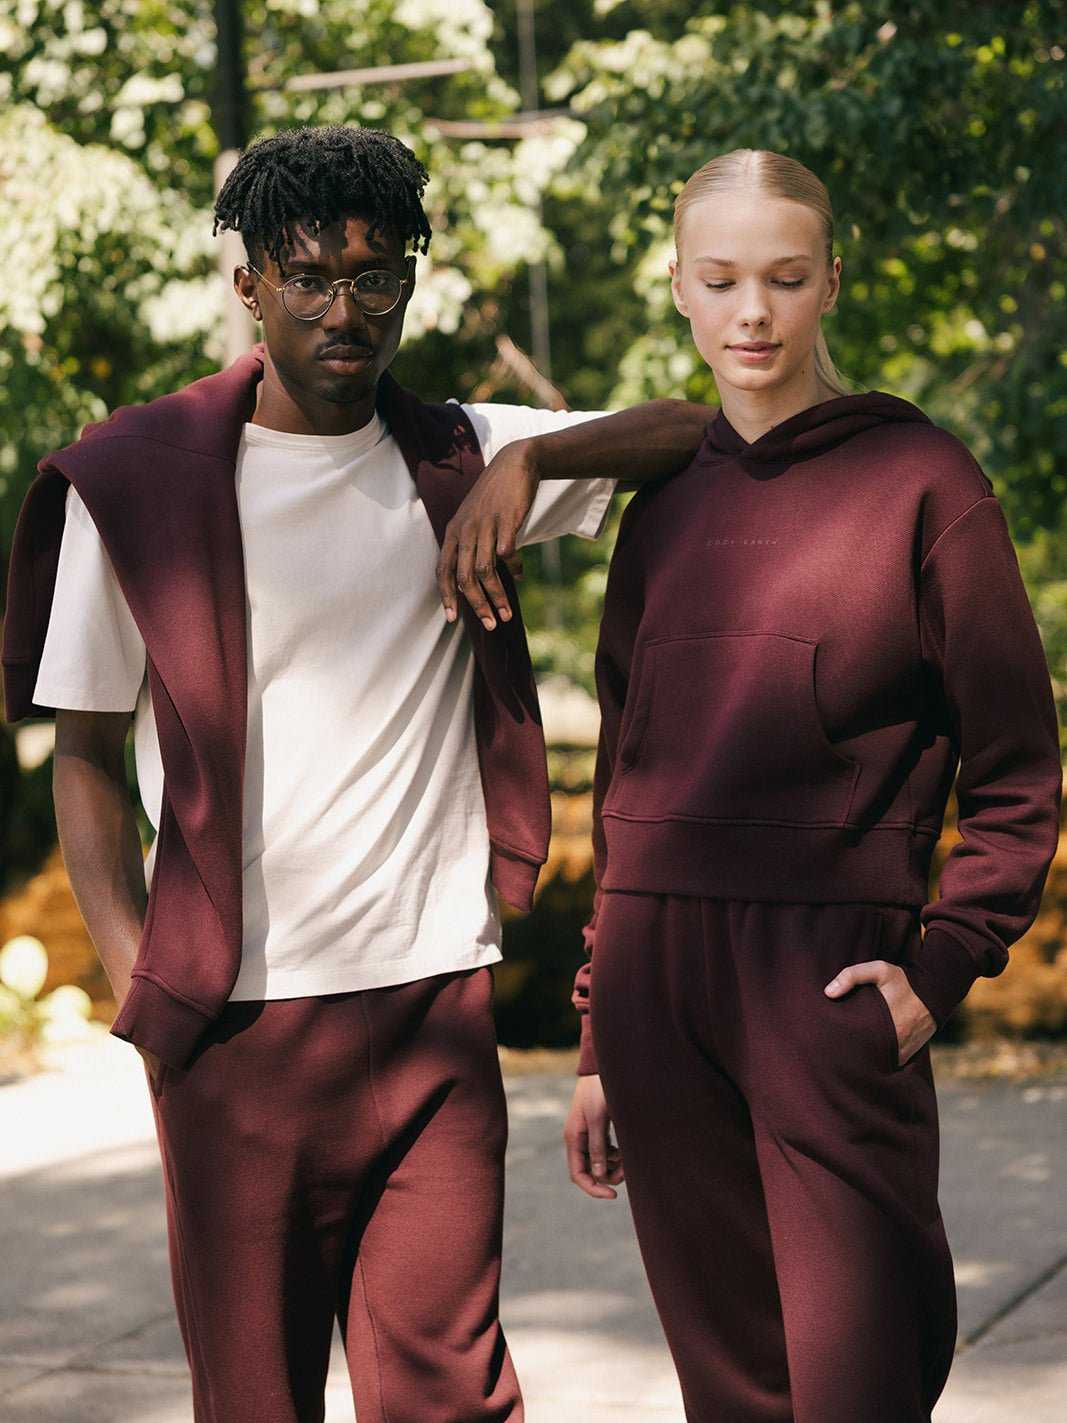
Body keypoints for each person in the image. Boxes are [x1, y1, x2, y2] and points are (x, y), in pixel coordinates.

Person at [1, 124, 713, 1423]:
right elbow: (86, 754)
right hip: (237, 1026)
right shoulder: (138, 487)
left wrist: (533, 459)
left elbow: (693, 430)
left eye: (376, 276)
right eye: (310, 277)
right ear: (250, 286)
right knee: (255, 1398)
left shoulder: (461, 454)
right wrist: (140, 981)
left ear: (410, 282)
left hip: (432, 1002)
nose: (345, 310)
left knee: (452, 1394)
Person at [444, 147, 1062, 1422]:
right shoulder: (663, 506)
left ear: (830, 280)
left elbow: (1015, 775)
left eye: (782, 278)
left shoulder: (924, 484)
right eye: (718, 280)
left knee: (861, 1378)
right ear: (676, 286)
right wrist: (597, 1039)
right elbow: (629, 786)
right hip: (655, 995)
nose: (751, 314)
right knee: (729, 1393)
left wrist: (938, 967)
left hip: (824, 983)